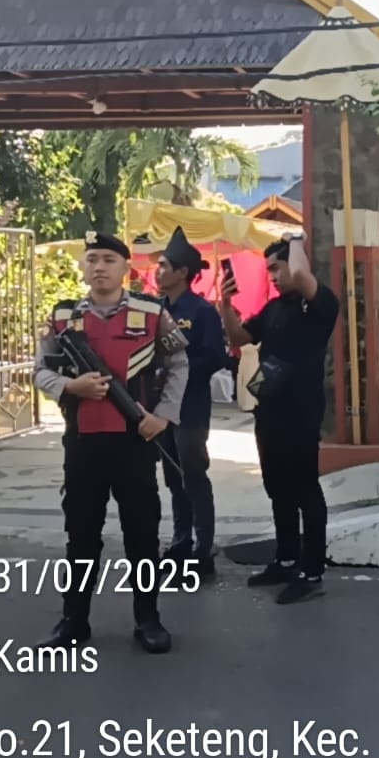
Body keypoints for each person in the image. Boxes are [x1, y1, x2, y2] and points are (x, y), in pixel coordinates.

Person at [33, 232, 189, 652]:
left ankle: (148, 618)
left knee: (142, 534)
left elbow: (179, 363)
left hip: (134, 440)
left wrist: (163, 416)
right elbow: (40, 370)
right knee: (81, 534)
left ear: (125, 269)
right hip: (83, 441)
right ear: (83, 267)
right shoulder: (63, 317)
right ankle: (74, 620)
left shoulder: (152, 312)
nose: (99, 267)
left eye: (108, 259)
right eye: (92, 259)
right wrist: (71, 386)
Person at [218, 234, 339, 605]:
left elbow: (302, 275)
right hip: (269, 409)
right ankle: (286, 560)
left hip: (301, 413)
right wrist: (225, 304)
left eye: (277, 267)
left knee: (305, 491)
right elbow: (239, 338)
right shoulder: (273, 309)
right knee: (277, 489)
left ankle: (311, 571)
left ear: (296, 262)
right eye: (268, 268)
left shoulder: (320, 304)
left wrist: (297, 240)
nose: (272, 275)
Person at [154, 227, 228, 577]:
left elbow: (215, 357)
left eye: (164, 266)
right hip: (161, 408)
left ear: (183, 272)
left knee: (194, 475)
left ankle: (203, 548)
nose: (158, 272)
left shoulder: (201, 312)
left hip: (191, 407)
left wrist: (177, 371)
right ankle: (180, 541)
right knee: (173, 477)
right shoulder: (155, 310)